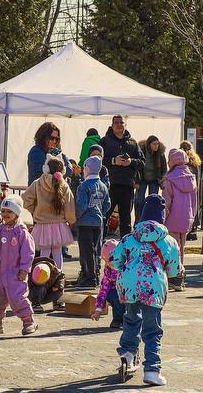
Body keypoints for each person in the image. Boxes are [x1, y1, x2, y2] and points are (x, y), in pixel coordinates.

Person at [110, 194, 182, 386]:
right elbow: (175, 270)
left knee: (131, 320)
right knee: (152, 329)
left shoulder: (129, 238)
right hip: (153, 288)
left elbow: (114, 261)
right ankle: (152, 369)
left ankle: (127, 353)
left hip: (129, 286)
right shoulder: (168, 241)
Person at [0, 195, 37, 335]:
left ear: (17, 213)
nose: (5, 214)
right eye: (4, 211)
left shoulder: (22, 233)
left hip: (16, 273)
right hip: (1, 272)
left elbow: (28, 252)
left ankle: (28, 321)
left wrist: (24, 269)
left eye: (9, 211)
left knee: (18, 297)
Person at [24, 156, 76, 267]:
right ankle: (58, 276)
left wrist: (35, 210)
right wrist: (71, 221)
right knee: (57, 252)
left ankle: (42, 277)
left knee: (44, 252)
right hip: (59, 225)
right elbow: (69, 205)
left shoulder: (38, 183)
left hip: (42, 224)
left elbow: (26, 199)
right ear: (62, 171)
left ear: (46, 169)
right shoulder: (64, 185)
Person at [161, 148, 197, 291]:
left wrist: (162, 216)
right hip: (187, 218)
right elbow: (194, 201)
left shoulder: (169, 179)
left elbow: (166, 201)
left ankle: (174, 279)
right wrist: (192, 216)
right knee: (181, 249)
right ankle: (181, 278)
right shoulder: (191, 177)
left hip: (172, 219)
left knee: (171, 250)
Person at [101, 115, 143, 235]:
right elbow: (96, 159)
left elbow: (142, 162)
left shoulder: (132, 143)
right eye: (116, 123)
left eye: (121, 122)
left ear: (125, 125)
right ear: (112, 125)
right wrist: (113, 161)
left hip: (127, 185)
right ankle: (101, 246)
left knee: (126, 220)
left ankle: (126, 248)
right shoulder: (105, 141)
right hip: (109, 185)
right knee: (105, 216)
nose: (119, 125)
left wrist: (131, 162)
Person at [75, 156, 112, 287]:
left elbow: (82, 205)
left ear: (87, 169)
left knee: (86, 250)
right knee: (95, 249)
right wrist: (101, 213)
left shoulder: (83, 186)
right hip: (98, 222)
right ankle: (95, 275)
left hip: (85, 222)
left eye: (84, 167)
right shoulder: (103, 186)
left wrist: (76, 216)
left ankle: (89, 277)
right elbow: (107, 204)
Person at [136, 136, 168, 219]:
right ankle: (139, 219)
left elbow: (164, 168)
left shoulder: (160, 153)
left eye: (157, 144)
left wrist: (163, 180)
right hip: (142, 178)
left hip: (155, 179)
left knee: (153, 200)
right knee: (139, 200)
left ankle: (151, 219)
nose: (156, 146)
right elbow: (137, 167)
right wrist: (136, 181)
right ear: (149, 144)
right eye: (154, 144)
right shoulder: (142, 151)